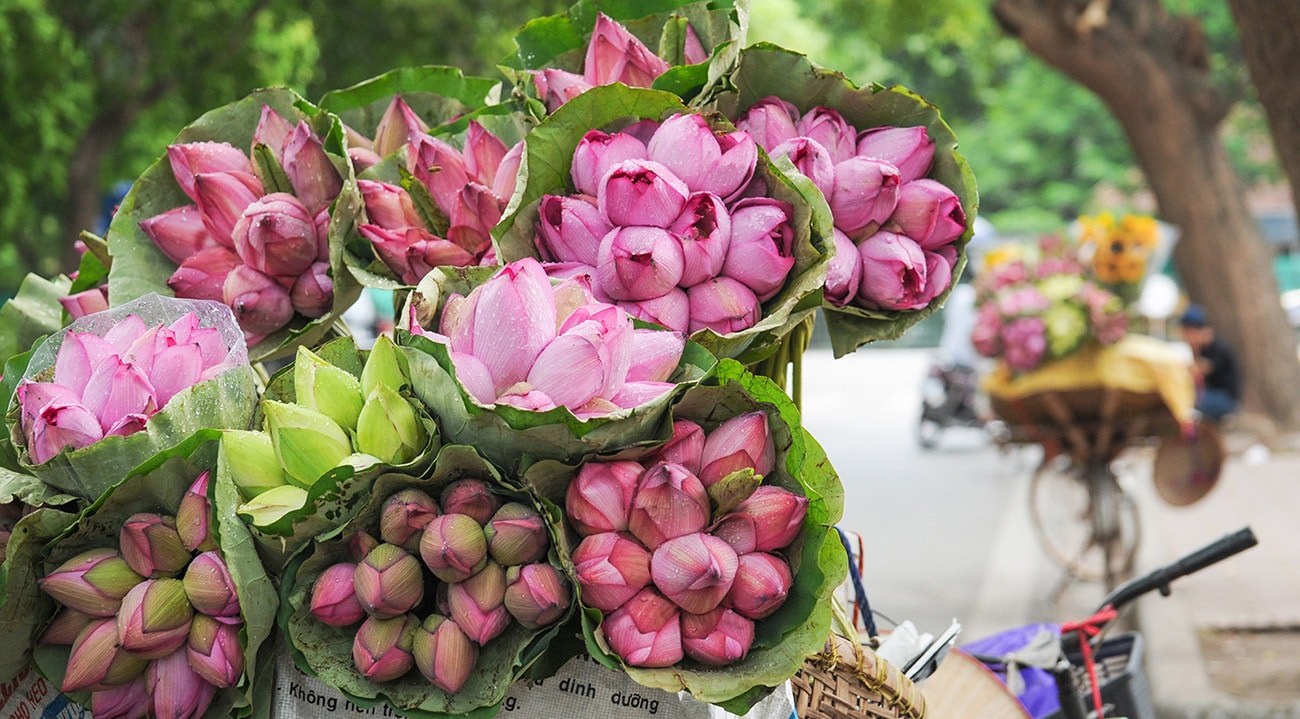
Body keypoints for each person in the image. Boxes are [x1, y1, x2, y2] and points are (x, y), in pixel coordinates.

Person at [1179, 305, 1242, 422]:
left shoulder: (1218, 346)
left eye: (1188, 333)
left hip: (1226, 399)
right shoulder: (1202, 348)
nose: (1186, 337)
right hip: (1211, 394)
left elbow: (1198, 370)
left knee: (1187, 399)